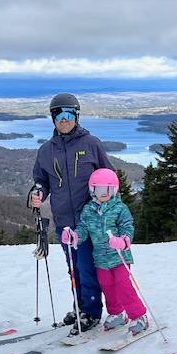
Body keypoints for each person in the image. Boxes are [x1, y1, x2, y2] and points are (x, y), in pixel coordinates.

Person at [29, 93, 114, 332]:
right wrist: (37, 192)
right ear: (53, 118)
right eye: (58, 114)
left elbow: (108, 177)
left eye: (68, 114)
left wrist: (107, 208)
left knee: (86, 265)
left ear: (76, 116)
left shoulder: (91, 144)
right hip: (64, 219)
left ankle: (91, 311)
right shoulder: (46, 150)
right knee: (73, 266)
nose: (63, 119)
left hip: (89, 219)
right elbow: (41, 180)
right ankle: (80, 305)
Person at [61, 169, 148, 336]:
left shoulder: (120, 209)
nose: (103, 194)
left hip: (119, 257)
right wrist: (74, 237)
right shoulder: (88, 210)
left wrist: (123, 241)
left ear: (114, 190)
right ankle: (117, 314)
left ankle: (139, 316)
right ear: (92, 190)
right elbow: (83, 229)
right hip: (100, 259)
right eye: (99, 189)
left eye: (107, 190)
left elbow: (127, 227)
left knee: (123, 286)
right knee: (107, 287)